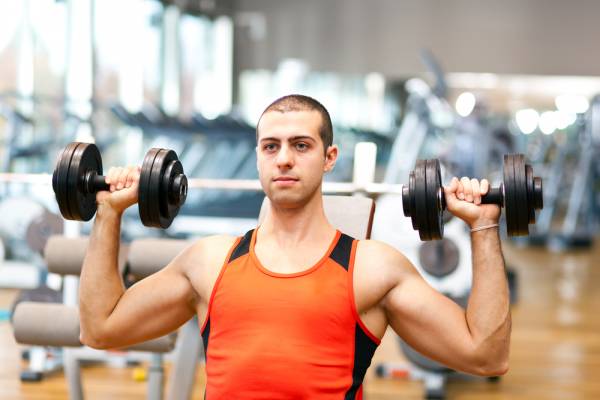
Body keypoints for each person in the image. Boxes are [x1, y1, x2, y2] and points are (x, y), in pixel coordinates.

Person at [79, 94, 510, 399]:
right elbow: (100, 328)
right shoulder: (210, 261)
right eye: (271, 146)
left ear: (329, 157)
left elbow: (486, 355)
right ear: (259, 158)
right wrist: (108, 213)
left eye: (300, 145)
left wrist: (484, 227)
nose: (284, 158)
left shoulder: (372, 269)